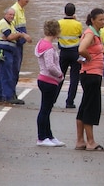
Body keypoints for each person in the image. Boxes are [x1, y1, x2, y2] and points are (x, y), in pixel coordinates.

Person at [75, 8, 104, 151]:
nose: (103, 22)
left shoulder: (94, 33)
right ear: (92, 20)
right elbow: (81, 49)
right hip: (91, 74)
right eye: (100, 19)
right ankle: (91, 141)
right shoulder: (90, 33)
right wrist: (89, 57)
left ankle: (80, 141)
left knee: (84, 107)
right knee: (90, 108)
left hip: (90, 74)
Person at [35, 19, 65, 147]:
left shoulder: (41, 43)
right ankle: (42, 137)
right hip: (48, 81)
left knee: (46, 109)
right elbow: (50, 66)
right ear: (56, 31)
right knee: (45, 110)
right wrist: (59, 74)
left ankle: (49, 135)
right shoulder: (48, 48)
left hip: (44, 79)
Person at [0, 7, 29, 105]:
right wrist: (21, 35)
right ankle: (8, 97)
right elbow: (10, 36)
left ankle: (1, 97)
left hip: (7, 51)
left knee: (2, 74)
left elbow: (12, 35)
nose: (11, 17)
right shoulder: (3, 23)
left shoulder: (10, 24)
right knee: (7, 74)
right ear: (5, 14)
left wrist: (17, 35)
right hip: (3, 52)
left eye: (13, 15)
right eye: (10, 14)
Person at [58, 3, 84, 109]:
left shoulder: (59, 23)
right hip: (75, 52)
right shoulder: (78, 24)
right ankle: (69, 102)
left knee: (59, 77)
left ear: (64, 11)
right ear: (74, 12)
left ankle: (53, 98)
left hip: (63, 52)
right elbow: (80, 36)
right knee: (74, 79)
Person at [10, 0, 31, 93]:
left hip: (19, 45)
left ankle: (11, 93)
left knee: (16, 70)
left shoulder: (21, 10)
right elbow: (11, 29)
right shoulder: (14, 10)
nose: (28, 0)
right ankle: (10, 94)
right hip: (14, 45)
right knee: (14, 70)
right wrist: (23, 36)